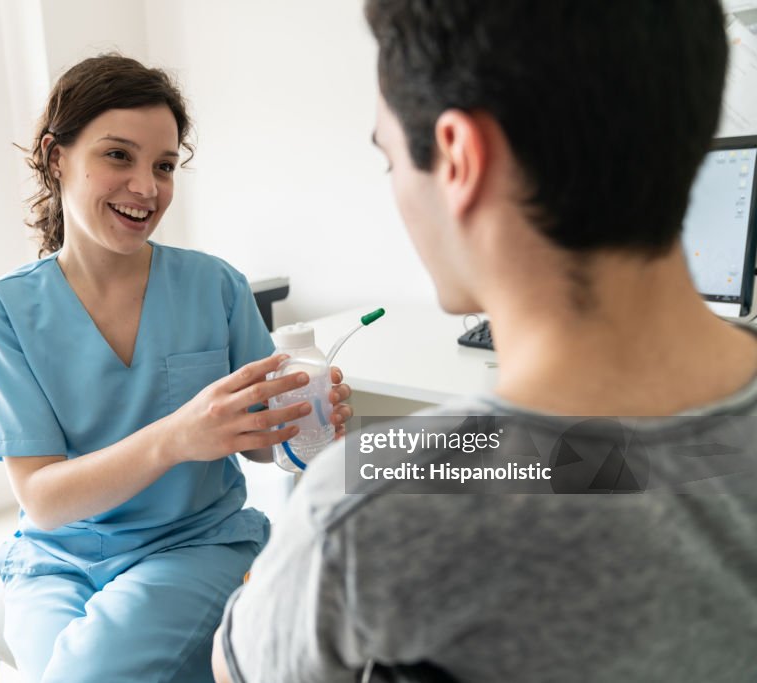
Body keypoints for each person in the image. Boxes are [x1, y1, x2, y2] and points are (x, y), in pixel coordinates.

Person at [214, 1, 757, 681]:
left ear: (461, 159)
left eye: (391, 161)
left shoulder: (374, 498)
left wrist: (275, 572)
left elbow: (242, 666)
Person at [0, 54, 353, 683]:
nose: (147, 187)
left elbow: (259, 448)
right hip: (55, 559)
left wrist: (304, 426)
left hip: (195, 544)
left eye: (165, 166)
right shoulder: (7, 311)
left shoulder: (215, 287)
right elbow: (42, 500)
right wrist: (178, 437)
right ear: (56, 156)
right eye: (119, 155)